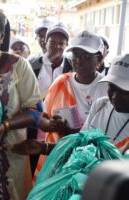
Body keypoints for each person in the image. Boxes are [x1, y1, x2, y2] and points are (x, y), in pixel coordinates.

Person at [0, 9, 57, 199]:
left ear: (2, 36)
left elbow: (35, 111)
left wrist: (6, 125)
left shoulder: (18, 65)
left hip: (9, 156)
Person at [12, 54, 129, 156]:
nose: (114, 97)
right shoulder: (101, 106)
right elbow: (82, 146)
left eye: (123, 91)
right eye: (111, 88)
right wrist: (44, 148)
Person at [34, 30, 108, 181]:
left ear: (99, 58)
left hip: (88, 165)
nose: (79, 61)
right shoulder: (60, 83)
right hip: (56, 158)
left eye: (86, 56)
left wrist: (71, 133)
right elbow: (44, 118)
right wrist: (52, 124)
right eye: (76, 55)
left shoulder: (107, 88)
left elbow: (105, 135)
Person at [29, 22, 73, 98]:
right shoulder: (33, 64)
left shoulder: (72, 66)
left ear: (66, 45)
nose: (57, 46)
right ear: (46, 42)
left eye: (61, 43)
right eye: (52, 42)